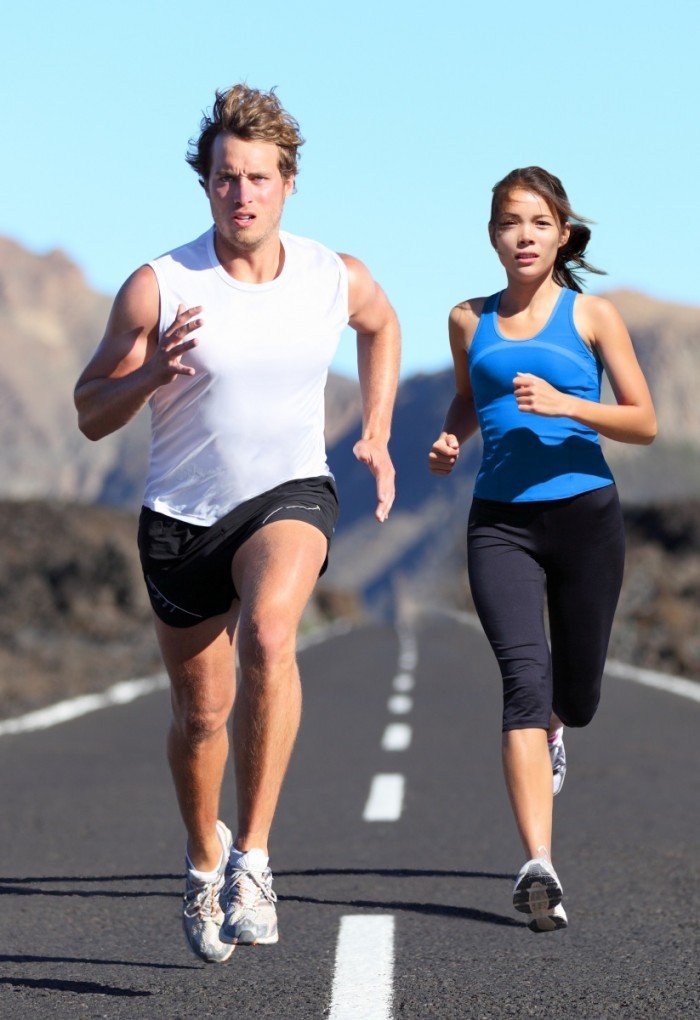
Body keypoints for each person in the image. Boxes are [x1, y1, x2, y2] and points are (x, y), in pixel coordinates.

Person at [74, 84, 400, 963]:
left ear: (288, 184)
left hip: (289, 493)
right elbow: (89, 409)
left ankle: (253, 855)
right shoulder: (161, 285)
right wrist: (148, 378)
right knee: (201, 716)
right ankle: (202, 853)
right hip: (181, 519)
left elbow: (382, 323)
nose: (242, 194)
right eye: (226, 178)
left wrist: (373, 428)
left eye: (258, 177)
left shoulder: (334, 275)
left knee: (268, 634)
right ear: (206, 184)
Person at [429, 167, 656, 933]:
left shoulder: (593, 316)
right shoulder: (468, 319)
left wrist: (567, 405)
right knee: (522, 680)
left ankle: (561, 727)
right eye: (506, 223)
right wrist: (453, 435)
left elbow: (644, 420)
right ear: (491, 235)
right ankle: (539, 866)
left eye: (536, 222)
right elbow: (470, 393)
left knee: (577, 695)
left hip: (587, 516)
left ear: (561, 233)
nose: (521, 236)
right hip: (500, 523)